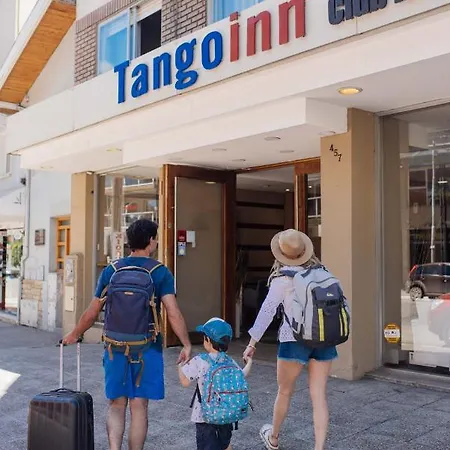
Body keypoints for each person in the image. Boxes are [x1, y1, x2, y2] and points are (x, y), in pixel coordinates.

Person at [63, 219, 192, 450]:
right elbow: (173, 312)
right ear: (150, 241)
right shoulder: (159, 272)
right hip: (147, 348)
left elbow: (93, 311)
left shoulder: (111, 270)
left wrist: (74, 333)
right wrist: (186, 344)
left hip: (114, 347)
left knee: (116, 404)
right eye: (155, 238)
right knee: (139, 407)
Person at [243, 229, 338, 450]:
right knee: (319, 396)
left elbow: (267, 312)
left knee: (285, 391)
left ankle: (274, 438)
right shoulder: (323, 273)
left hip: (293, 340)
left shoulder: (283, 279)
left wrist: (252, 343)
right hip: (323, 339)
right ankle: (319, 447)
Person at [178, 317, 253, 450]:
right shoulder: (229, 361)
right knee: (225, 444)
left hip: (204, 416)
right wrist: (249, 362)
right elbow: (242, 375)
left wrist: (180, 364)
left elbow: (184, 382)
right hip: (227, 414)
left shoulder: (200, 361)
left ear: (207, 340)